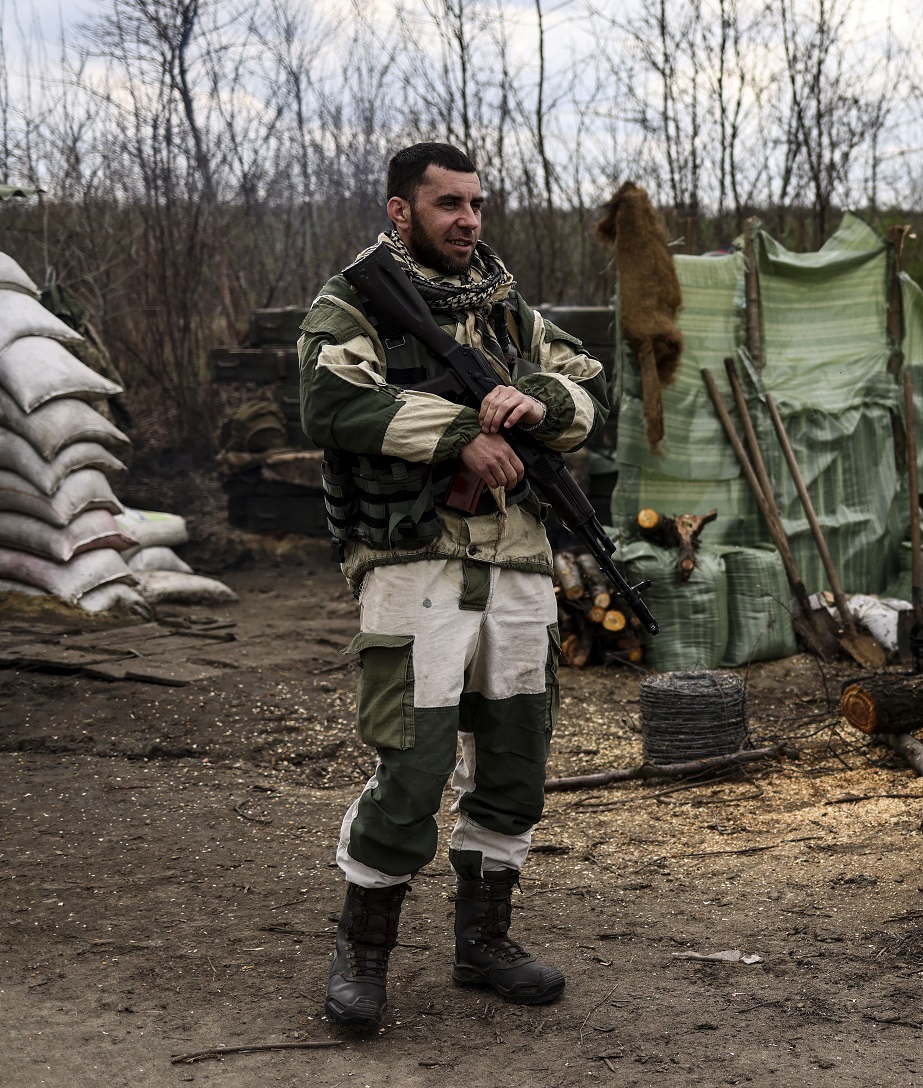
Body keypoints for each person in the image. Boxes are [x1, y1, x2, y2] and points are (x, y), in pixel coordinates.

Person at [298, 141, 608, 1029]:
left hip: (515, 564)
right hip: (414, 562)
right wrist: (460, 433)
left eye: (476, 204)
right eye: (447, 205)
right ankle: (362, 956)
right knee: (415, 765)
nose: (468, 220)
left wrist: (538, 401)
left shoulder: (506, 309)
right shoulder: (352, 302)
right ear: (400, 211)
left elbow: (588, 387)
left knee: (516, 761)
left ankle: (485, 944)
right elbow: (331, 404)